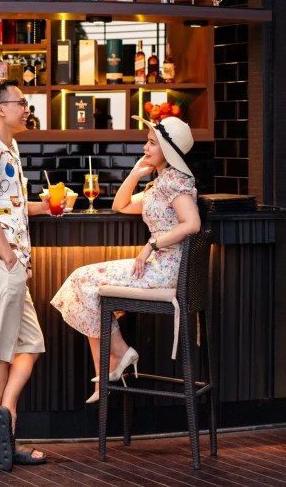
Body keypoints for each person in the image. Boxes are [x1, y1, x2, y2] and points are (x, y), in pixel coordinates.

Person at [51, 115, 201, 404]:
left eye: (152, 143)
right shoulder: (160, 183)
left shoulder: (175, 181)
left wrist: (150, 245)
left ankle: (118, 355)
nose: (145, 147)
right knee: (85, 286)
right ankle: (111, 365)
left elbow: (192, 223)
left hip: (166, 270)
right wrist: (134, 174)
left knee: (83, 282)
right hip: (158, 266)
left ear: (167, 151)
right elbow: (121, 205)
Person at [0, 81, 49, 472]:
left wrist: (44, 207)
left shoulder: (9, 148)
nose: (26, 109)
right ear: (0, 109)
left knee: (30, 344)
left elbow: (9, 206)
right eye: (21, 103)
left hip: (12, 265)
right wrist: (9, 258)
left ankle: (6, 413)